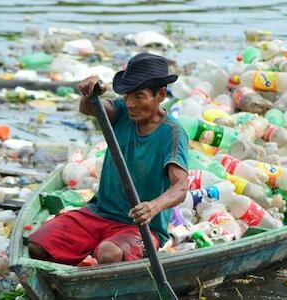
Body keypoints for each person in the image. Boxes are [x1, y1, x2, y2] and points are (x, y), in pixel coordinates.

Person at [28, 53, 189, 265]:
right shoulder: (122, 112)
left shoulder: (172, 132)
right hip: (99, 214)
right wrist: (91, 92)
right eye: (127, 96)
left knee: (108, 254)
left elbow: (181, 187)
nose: (130, 103)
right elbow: (89, 108)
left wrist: (153, 207)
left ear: (160, 95)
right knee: (38, 246)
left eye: (139, 96)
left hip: (140, 227)